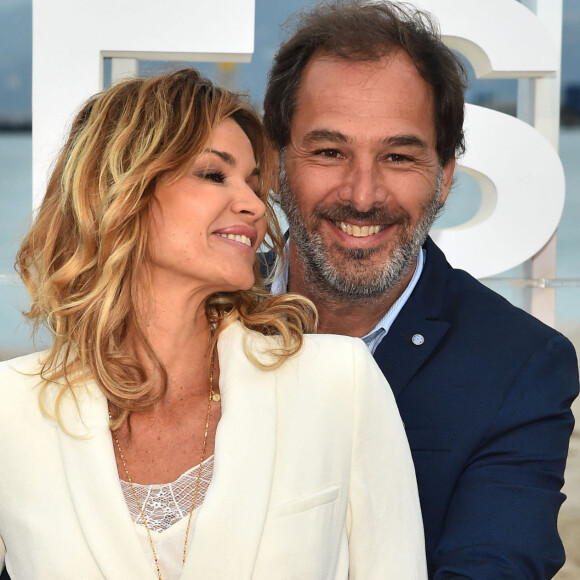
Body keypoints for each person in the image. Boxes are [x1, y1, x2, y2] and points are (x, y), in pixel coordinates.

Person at [0, 68, 427, 579]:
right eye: (212, 174)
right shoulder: (11, 412)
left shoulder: (339, 380)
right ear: (119, 192)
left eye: (252, 182)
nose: (252, 204)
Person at [262, 1, 580, 578]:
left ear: (445, 177)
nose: (362, 194)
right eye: (330, 151)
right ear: (276, 160)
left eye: (399, 156)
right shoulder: (198, 316)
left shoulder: (517, 366)